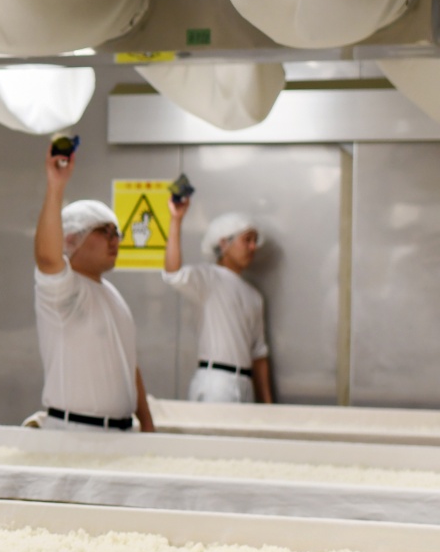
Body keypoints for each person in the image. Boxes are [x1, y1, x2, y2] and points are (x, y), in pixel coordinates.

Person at [32, 142, 155, 432]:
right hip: (75, 433)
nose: (115, 240)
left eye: (117, 232)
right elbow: (47, 258)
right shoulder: (66, 292)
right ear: (71, 239)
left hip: (121, 433)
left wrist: (147, 425)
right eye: (103, 231)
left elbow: (129, 365)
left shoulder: (112, 295)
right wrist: (55, 186)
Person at [165, 200, 273, 404]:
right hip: (216, 383)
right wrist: (176, 220)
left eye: (255, 241)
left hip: (245, 384)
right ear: (224, 243)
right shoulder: (208, 279)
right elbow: (173, 274)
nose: (252, 247)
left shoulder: (254, 295)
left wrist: (268, 405)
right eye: (247, 240)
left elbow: (259, 352)